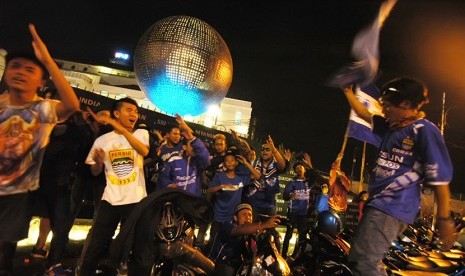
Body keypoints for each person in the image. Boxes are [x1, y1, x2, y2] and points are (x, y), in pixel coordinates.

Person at [342, 78, 455, 276]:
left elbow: (440, 180)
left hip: (392, 205)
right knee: (362, 260)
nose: (383, 110)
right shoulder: (390, 127)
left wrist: (444, 220)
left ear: (404, 104)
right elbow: (364, 113)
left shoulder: (423, 130)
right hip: (380, 204)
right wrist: (348, 92)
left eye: (386, 105)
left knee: (363, 263)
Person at [0, 24, 79, 274]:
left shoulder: (43, 109)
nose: (20, 72)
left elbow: (71, 104)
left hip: (16, 195)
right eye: (15, 66)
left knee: (2, 255)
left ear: (41, 80)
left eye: (30, 69)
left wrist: (47, 59)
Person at [78, 97, 149, 275]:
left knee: (131, 244)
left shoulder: (141, 134)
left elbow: (144, 151)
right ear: (117, 113)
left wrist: (121, 130)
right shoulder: (102, 140)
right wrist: (99, 164)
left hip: (135, 199)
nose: (134, 114)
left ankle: (116, 268)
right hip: (110, 198)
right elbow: (94, 171)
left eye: (136, 111)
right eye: (129, 110)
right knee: (97, 242)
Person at [206, 148, 260, 258]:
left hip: (233, 219)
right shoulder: (219, 177)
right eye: (227, 160)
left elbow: (257, 176)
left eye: (232, 160)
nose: (229, 162)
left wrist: (245, 163)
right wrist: (221, 187)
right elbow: (209, 190)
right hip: (218, 218)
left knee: (231, 245)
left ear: (236, 163)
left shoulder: (241, 178)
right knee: (213, 243)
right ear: (224, 163)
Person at [209, 203, 281, 276]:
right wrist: (264, 225)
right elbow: (240, 229)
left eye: (250, 215)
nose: (247, 218)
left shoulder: (249, 234)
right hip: (217, 265)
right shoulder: (227, 226)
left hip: (236, 267)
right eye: (244, 215)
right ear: (235, 218)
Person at [157, 114, 210, 197]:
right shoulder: (173, 158)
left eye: (195, 145)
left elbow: (205, 156)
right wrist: (169, 184)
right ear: (184, 147)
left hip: (193, 201)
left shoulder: (199, 162)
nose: (194, 148)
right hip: (176, 200)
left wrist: (187, 129)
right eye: (191, 145)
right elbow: (163, 176)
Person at [328, 154, 352, 229]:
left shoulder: (346, 187)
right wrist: (337, 160)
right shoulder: (333, 183)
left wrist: (341, 173)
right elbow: (332, 172)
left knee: (340, 231)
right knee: (329, 229)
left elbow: (348, 185)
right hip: (332, 211)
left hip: (342, 213)